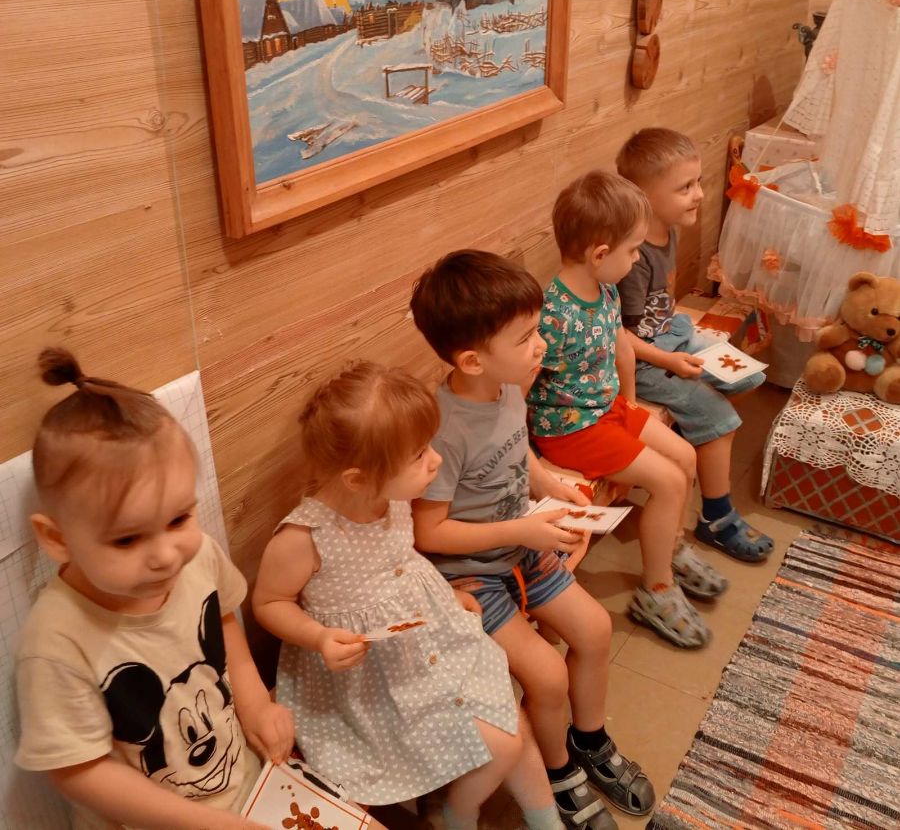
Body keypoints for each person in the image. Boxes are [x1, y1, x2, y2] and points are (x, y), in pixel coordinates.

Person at [252, 361, 566, 830]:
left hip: (427, 635)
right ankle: (459, 814)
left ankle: (541, 819)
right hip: (368, 674)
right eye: (419, 455)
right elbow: (269, 602)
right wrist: (317, 637)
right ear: (357, 477)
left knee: (507, 722)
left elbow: (401, 560)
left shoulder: (392, 496)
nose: (436, 461)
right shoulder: (305, 537)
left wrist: (444, 595)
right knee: (504, 739)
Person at [410, 251, 654, 830]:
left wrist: (549, 484)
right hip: (469, 575)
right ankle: (560, 771)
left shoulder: (508, 387)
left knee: (595, 630)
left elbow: (519, 453)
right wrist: (522, 527)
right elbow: (428, 531)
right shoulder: (443, 428)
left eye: (537, 329)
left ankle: (589, 740)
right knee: (546, 675)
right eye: (525, 338)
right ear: (472, 360)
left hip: (521, 548)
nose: (541, 345)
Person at [15, 348, 294, 830]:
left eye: (179, 518)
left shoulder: (199, 556)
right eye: (127, 539)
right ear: (57, 539)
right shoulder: (56, 641)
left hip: (241, 784)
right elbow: (79, 772)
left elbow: (223, 618)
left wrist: (254, 703)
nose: (166, 555)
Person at [527, 171, 718, 649]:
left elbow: (622, 349)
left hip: (607, 408)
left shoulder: (605, 289)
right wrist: (533, 463)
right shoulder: (553, 314)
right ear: (599, 253)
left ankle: (669, 545)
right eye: (633, 250)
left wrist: (631, 403)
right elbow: (520, 389)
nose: (637, 259)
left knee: (686, 457)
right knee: (669, 481)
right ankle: (657, 589)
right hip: (571, 427)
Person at [615, 128, 774, 563]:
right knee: (720, 417)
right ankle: (716, 518)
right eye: (685, 187)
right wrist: (669, 360)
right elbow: (620, 337)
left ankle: (693, 428)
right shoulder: (633, 259)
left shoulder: (665, 229)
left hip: (671, 334)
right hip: (644, 359)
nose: (700, 195)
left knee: (748, 378)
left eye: (698, 182)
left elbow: (658, 313)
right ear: (643, 197)